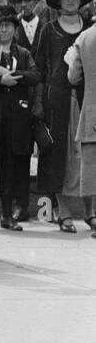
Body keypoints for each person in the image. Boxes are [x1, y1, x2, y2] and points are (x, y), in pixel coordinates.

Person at [34, 0, 94, 232]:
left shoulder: (91, 29)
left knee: (88, 154)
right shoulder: (48, 29)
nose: (70, 0)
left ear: (81, 1)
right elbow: (38, 68)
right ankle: (63, 211)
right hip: (56, 99)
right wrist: (39, 101)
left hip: (87, 98)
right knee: (58, 154)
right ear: (57, 1)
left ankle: (91, 212)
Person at [0, 5, 42, 230]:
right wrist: (0, 80)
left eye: (8, 26)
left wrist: (15, 77)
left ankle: (19, 209)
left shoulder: (23, 53)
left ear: (14, 28)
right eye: (0, 26)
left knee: (19, 161)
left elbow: (36, 75)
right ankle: (4, 213)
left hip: (20, 117)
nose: (4, 30)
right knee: (1, 163)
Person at [67, 18, 96, 238]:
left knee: (90, 166)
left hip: (92, 112)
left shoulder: (85, 37)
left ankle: (91, 214)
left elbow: (73, 76)